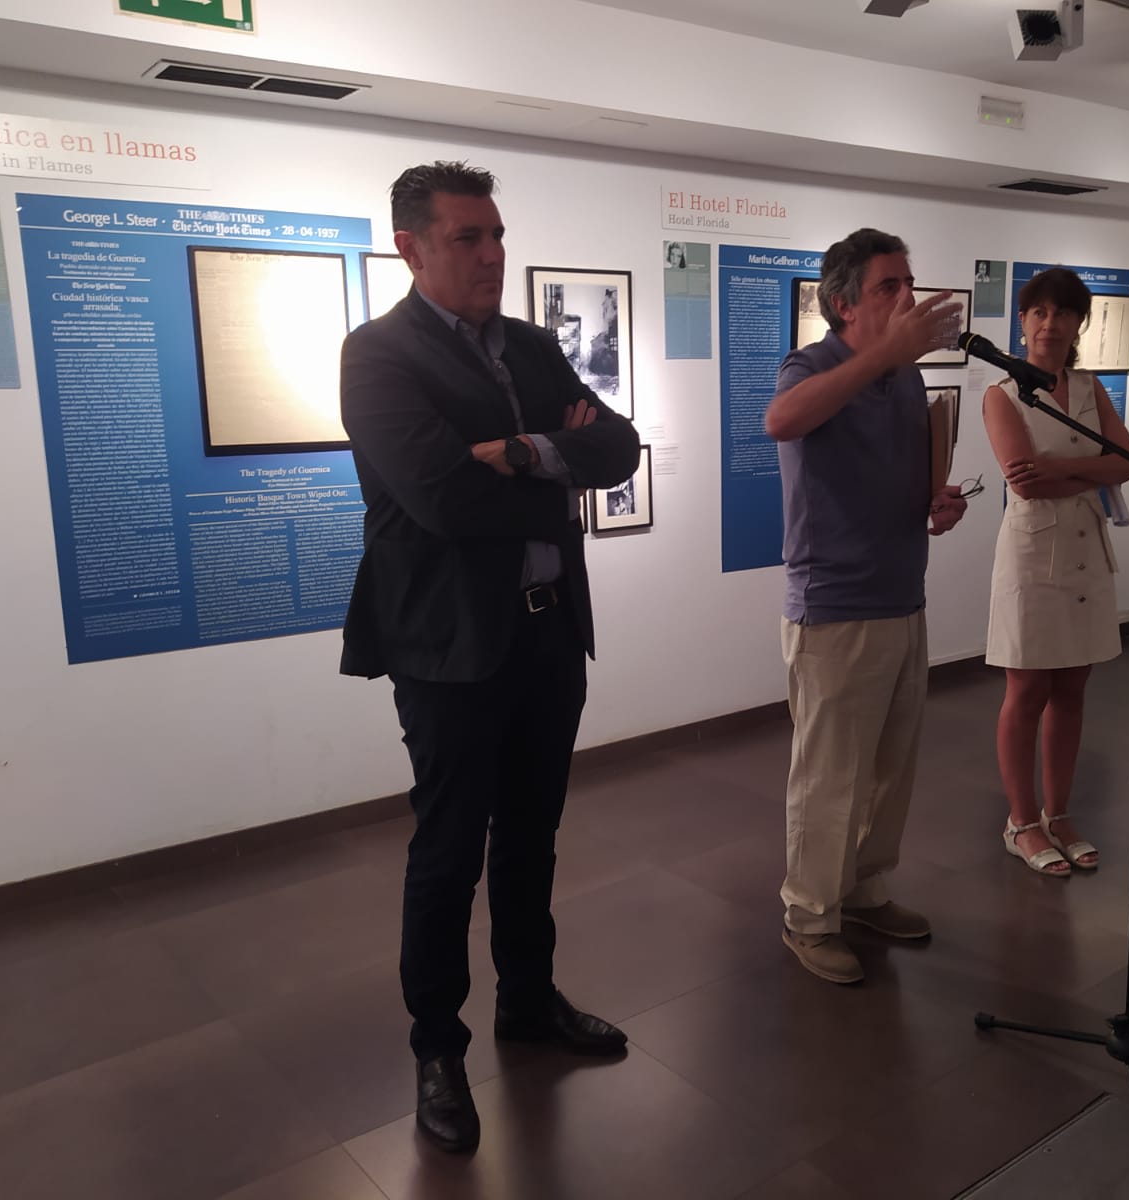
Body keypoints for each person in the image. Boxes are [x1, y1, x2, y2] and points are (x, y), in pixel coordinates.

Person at [339, 161, 641, 1155]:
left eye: (496, 234)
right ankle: (437, 1047)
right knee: (447, 852)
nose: (491, 254)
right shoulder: (377, 356)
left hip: (549, 631)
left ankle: (528, 998)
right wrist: (558, 460)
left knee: (532, 834)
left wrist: (517, 452)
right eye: (466, 237)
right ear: (411, 247)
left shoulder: (533, 345)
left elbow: (620, 450)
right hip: (449, 645)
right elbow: (439, 497)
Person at [764, 228, 969, 984]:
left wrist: (937, 503)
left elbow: (903, 479)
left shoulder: (907, 379)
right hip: (835, 608)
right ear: (844, 304)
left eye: (909, 282)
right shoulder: (812, 365)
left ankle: (863, 891)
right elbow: (782, 421)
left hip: (901, 596)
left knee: (889, 769)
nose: (908, 296)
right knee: (829, 779)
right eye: (889, 286)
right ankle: (809, 915)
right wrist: (883, 357)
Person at [981, 267, 1129, 877]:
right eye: (1039, 312)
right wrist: (1088, 471)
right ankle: (1021, 821)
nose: (1051, 324)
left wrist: (1062, 471)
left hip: (1085, 550)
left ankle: (1060, 813)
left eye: (1064, 313)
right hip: (1032, 555)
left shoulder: (1090, 388)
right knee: (1026, 692)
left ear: (1079, 324)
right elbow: (1024, 479)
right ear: (1022, 322)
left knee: (1073, 688)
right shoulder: (1002, 393)